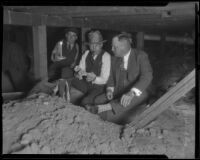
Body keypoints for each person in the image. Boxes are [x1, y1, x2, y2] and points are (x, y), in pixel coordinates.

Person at [86, 32, 153, 124]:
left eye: (114, 47)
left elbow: (147, 76)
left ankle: (104, 108)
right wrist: (110, 89)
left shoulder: (140, 56)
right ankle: (103, 109)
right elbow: (111, 78)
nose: (112, 49)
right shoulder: (114, 59)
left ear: (123, 47)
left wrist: (131, 93)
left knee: (128, 100)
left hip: (137, 92)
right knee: (98, 100)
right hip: (119, 91)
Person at [57, 30, 111, 107]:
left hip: (98, 87)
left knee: (84, 102)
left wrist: (94, 78)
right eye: (91, 44)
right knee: (66, 73)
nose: (94, 47)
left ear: (101, 44)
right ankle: (61, 95)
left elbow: (105, 79)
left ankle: (84, 101)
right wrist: (79, 73)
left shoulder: (106, 56)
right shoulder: (86, 53)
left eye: (97, 44)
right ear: (89, 45)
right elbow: (80, 68)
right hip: (85, 84)